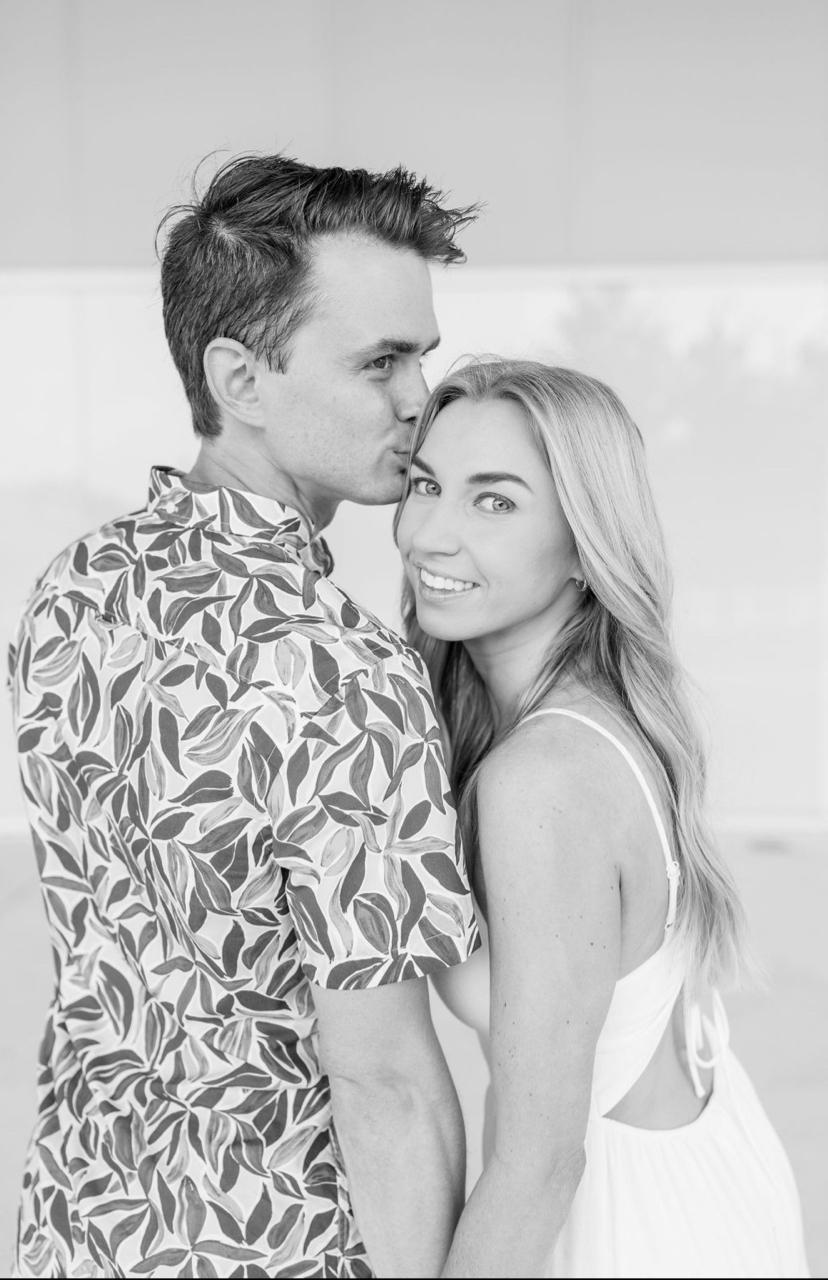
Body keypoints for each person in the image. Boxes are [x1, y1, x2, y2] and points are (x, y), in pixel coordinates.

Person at [8, 155, 482, 1279]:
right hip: (276, 1249)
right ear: (240, 378)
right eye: (379, 361)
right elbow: (386, 1084)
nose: (418, 399)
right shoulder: (341, 666)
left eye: (422, 356)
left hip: (80, 1227)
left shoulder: (72, 587)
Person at [395, 359, 810, 1278]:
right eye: (426, 485)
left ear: (586, 545)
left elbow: (541, 1165)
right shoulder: (600, 719)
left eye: (494, 501)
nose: (429, 533)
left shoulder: (540, 780)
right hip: (707, 1172)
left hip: (638, 1229)